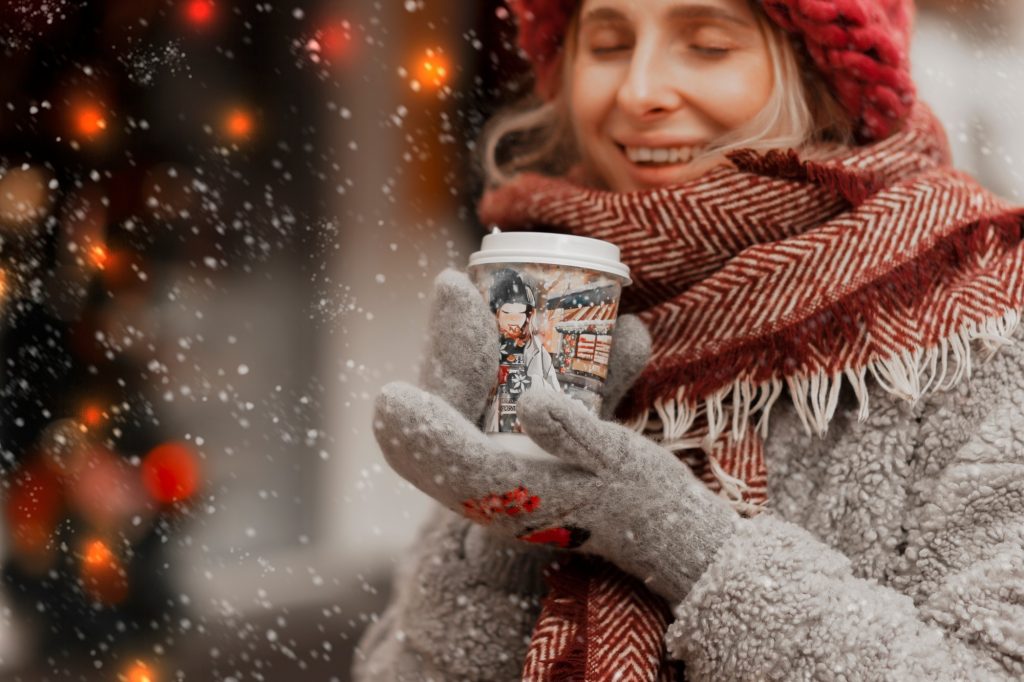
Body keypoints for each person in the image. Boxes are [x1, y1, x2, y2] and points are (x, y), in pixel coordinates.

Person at [355, 0, 1024, 679]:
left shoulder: (982, 312)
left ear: (824, 78)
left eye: (707, 45)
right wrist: (502, 530)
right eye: (610, 44)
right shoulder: (555, 294)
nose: (640, 91)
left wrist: (684, 541)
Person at [485, 268, 562, 433]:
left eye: (520, 313)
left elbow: (556, 397)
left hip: (529, 432)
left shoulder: (536, 351)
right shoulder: (485, 345)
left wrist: (529, 383)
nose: (514, 320)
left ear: (528, 315)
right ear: (496, 314)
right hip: (491, 431)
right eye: (507, 313)